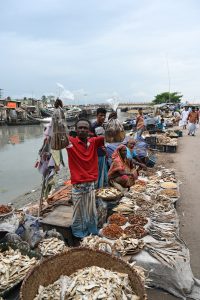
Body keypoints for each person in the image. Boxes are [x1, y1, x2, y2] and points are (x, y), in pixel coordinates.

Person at [65, 119, 105, 239]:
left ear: (89, 130)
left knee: (91, 210)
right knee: (78, 213)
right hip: (78, 186)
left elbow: (113, 137)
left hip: (91, 185)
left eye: (85, 128)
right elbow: (55, 138)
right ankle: (78, 234)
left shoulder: (93, 142)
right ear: (76, 130)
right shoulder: (70, 142)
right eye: (80, 128)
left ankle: (92, 231)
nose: (82, 130)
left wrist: (107, 127)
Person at [91, 108, 108, 188]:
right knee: (98, 173)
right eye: (101, 115)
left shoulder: (103, 125)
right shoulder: (93, 126)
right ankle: (98, 190)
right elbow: (90, 142)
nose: (103, 117)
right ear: (97, 116)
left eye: (104, 116)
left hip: (103, 152)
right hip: (97, 153)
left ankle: (102, 188)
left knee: (103, 172)